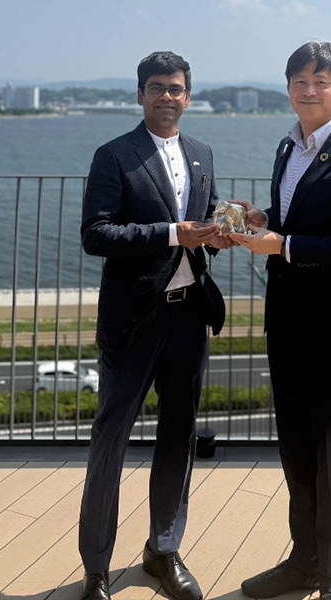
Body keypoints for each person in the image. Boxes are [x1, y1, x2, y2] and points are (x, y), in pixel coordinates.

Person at [228, 41, 331, 600]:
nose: (309, 89)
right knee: (296, 449)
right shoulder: (287, 146)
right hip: (288, 321)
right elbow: (296, 222)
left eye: (321, 81)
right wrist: (264, 221)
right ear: (289, 88)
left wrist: (283, 245)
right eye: (299, 80)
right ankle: (304, 561)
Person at [75, 50, 229, 600]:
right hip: (133, 319)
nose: (168, 96)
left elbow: (202, 225)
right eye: (158, 87)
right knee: (110, 441)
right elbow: (96, 234)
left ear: (189, 95)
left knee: (178, 438)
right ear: (139, 94)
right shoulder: (114, 154)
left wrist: (219, 232)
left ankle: (163, 550)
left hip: (189, 312)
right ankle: (96, 566)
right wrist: (171, 233)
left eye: (177, 88)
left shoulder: (203, 153)